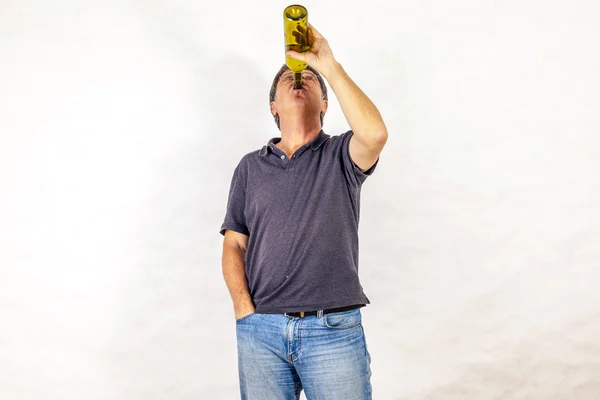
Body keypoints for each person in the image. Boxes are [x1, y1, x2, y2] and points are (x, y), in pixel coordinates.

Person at [220, 23, 388, 400]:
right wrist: (245, 311)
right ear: (273, 107)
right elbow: (234, 245)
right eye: (288, 78)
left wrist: (325, 63)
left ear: (325, 105)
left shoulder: (342, 155)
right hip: (260, 330)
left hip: (332, 329)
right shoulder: (250, 167)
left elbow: (375, 135)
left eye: (310, 78)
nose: (300, 78)